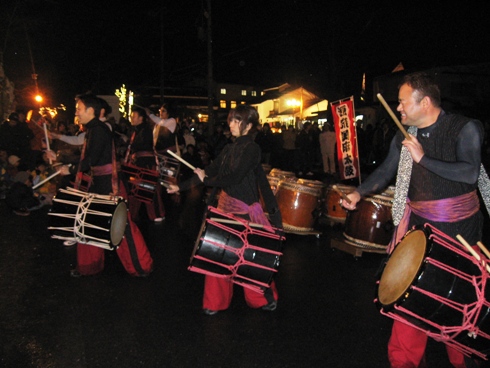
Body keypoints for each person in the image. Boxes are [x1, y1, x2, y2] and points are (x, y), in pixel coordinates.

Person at [341, 72, 484, 368]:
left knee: (457, 300)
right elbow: (385, 171)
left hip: (461, 229)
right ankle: (403, 362)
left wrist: (423, 159)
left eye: (404, 103)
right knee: (410, 294)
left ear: (426, 102)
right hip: (419, 225)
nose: (399, 109)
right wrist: (359, 192)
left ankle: (463, 359)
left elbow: (470, 173)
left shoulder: (465, 128)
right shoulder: (404, 136)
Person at [167, 105, 283, 315]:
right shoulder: (229, 149)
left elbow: (235, 177)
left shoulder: (252, 149)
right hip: (225, 208)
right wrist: (180, 186)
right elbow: (208, 170)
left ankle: (260, 298)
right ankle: (215, 301)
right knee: (218, 254)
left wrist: (208, 179)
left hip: (244, 211)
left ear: (248, 125)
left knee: (249, 258)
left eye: (236, 120)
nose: (231, 124)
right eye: (230, 120)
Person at [122, 106, 165, 222]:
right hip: (138, 163)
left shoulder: (145, 130)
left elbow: (143, 145)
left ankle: (156, 214)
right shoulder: (135, 130)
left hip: (146, 163)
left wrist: (130, 145)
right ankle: (131, 214)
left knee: (149, 189)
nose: (131, 118)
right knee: (135, 189)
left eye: (134, 116)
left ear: (141, 118)